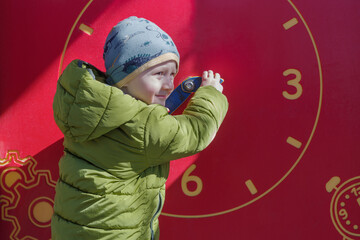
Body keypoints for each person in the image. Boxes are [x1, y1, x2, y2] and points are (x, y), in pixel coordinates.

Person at [51, 16, 228, 240]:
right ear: (126, 78)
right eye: (158, 74)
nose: (168, 84)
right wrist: (211, 93)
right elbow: (196, 133)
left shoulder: (92, 107)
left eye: (172, 74)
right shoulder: (140, 125)